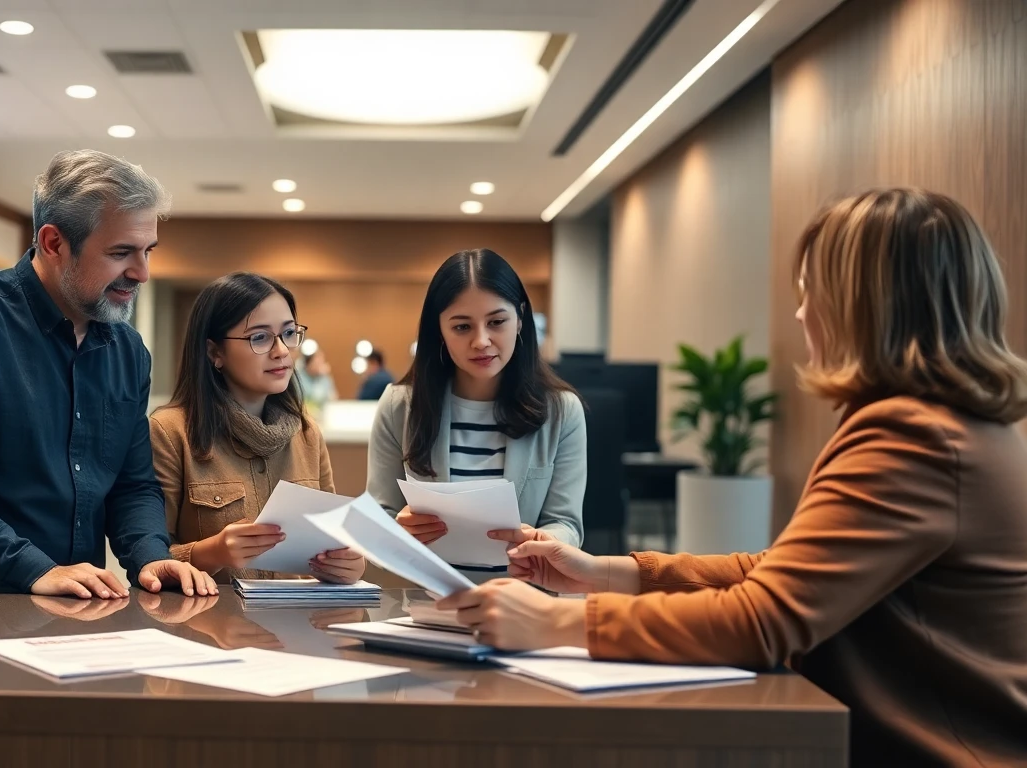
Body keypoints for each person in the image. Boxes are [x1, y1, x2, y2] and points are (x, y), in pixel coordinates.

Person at [438, 189, 1027, 766]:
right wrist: (605, 574)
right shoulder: (947, 425)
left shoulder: (913, 437)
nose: (801, 312)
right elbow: (780, 571)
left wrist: (555, 621)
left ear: (863, 304)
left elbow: (763, 619)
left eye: (810, 291)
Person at [0, 149, 216, 600]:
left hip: (69, 602)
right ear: (53, 243)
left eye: (147, 251)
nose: (142, 272)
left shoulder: (127, 351)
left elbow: (132, 485)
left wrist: (151, 555)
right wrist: (34, 567)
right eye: (121, 253)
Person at [366, 248, 586, 580]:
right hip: (430, 606)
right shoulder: (400, 406)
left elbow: (566, 523)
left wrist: (544, 541)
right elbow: (377, 520)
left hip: (526, 605)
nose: (481, 341)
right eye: (462, 327)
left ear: (521, 318)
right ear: (438, 329)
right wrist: (397, 532)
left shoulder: (562, 411)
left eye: (497, 322)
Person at [149, 272, 366, 584]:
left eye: (289, 333)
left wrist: (349, 565)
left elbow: (332, 541)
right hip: (211, 626)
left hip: (298, 625)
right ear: (215, 352)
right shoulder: (171, 431)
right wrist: (212, 552)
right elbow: (148, 560)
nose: (281, 351)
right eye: (260, 338)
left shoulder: (307, 433)